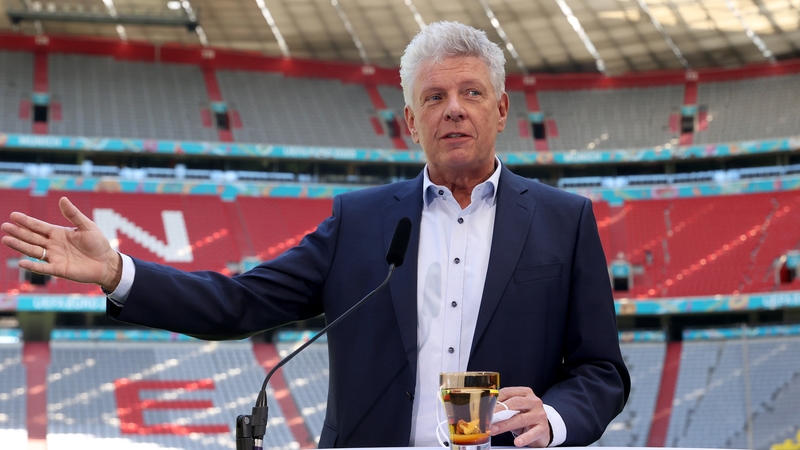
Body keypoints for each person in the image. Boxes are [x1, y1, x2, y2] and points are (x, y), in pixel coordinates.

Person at [2, 21, 629, 448]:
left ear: (500, 109)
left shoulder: (563, 220)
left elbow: (602, 369)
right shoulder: (360, 221)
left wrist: (552, 419)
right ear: (411, 120)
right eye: (434, 97)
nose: (454, 109)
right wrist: (118, 271)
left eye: (471, 92)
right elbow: (239, 304)